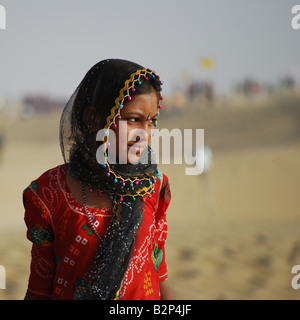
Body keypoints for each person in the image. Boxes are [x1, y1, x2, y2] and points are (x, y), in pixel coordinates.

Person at [23, 59, 175, 300]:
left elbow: (159, 275)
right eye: (133, 119)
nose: (144, 134)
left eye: (152, 121)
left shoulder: (154, 186)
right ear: (93, 118)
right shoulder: (48, 193)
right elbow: (39, 290)